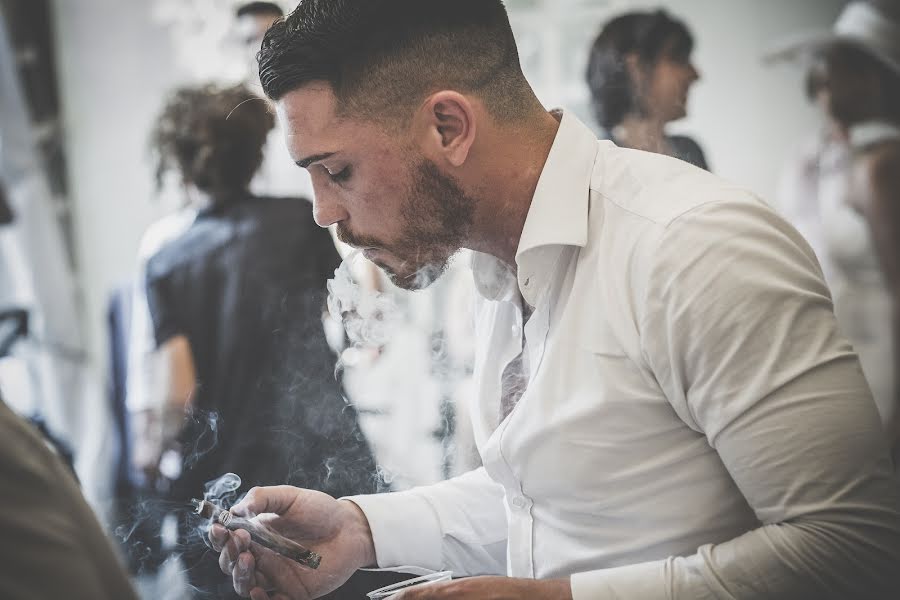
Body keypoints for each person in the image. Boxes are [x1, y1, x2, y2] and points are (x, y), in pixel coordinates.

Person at [211, 1, 900, 598]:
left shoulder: (694, 247)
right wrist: (362, 530)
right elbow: (544, 502)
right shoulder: (496, 265)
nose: (323, 213)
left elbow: (856, 548)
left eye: (336, 170)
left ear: (448, 126)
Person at [141, 83, 382, 598]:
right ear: (254, 155)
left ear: (182, 165)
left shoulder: (166, 264)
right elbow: (350, 308)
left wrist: (150, 452)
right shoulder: (299, 222)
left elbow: (175, 388)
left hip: (225, 474)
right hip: (320, 452)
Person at [769, 0, 900, 463]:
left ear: (869, 79)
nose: (822, 80)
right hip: (847, 351)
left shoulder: (879, 166)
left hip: (883, 354)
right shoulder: (826, 159)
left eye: (835, 69)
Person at [586, 9, 708, 170]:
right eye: (679, 59)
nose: (695, 74)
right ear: (637, 70)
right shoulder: (600, 167)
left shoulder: (690, 150)